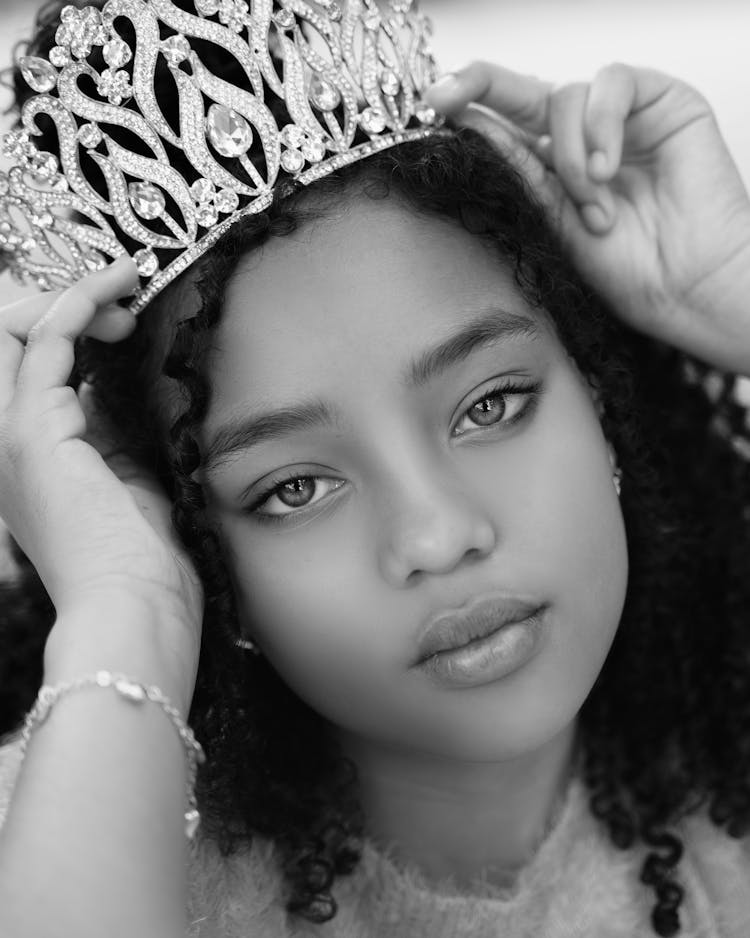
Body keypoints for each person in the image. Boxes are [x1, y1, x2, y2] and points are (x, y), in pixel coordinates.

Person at [0, 2, 749, 936]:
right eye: (293, 488)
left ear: (602, 397)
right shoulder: (57, 828)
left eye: (491, 405)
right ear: (198, 539)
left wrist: (732, 297)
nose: (436, 536)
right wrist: (128, 609)